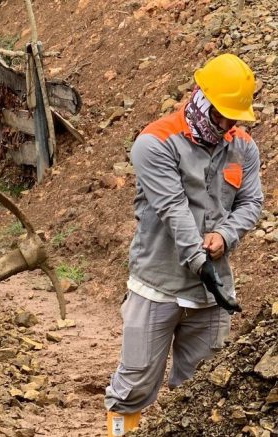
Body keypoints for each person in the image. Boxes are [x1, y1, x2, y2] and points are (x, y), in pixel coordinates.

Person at [104, 53, 263, 436]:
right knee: (134, 386)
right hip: (157, 287)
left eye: (234, 119)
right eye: (221, 115)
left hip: (210, 296)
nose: (226, 126)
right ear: (202, 98)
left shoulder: (243, 147)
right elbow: (173, 209)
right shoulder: (155, 142)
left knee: (200, 393)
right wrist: (199, 260)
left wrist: (225, 236)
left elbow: (251, 203)